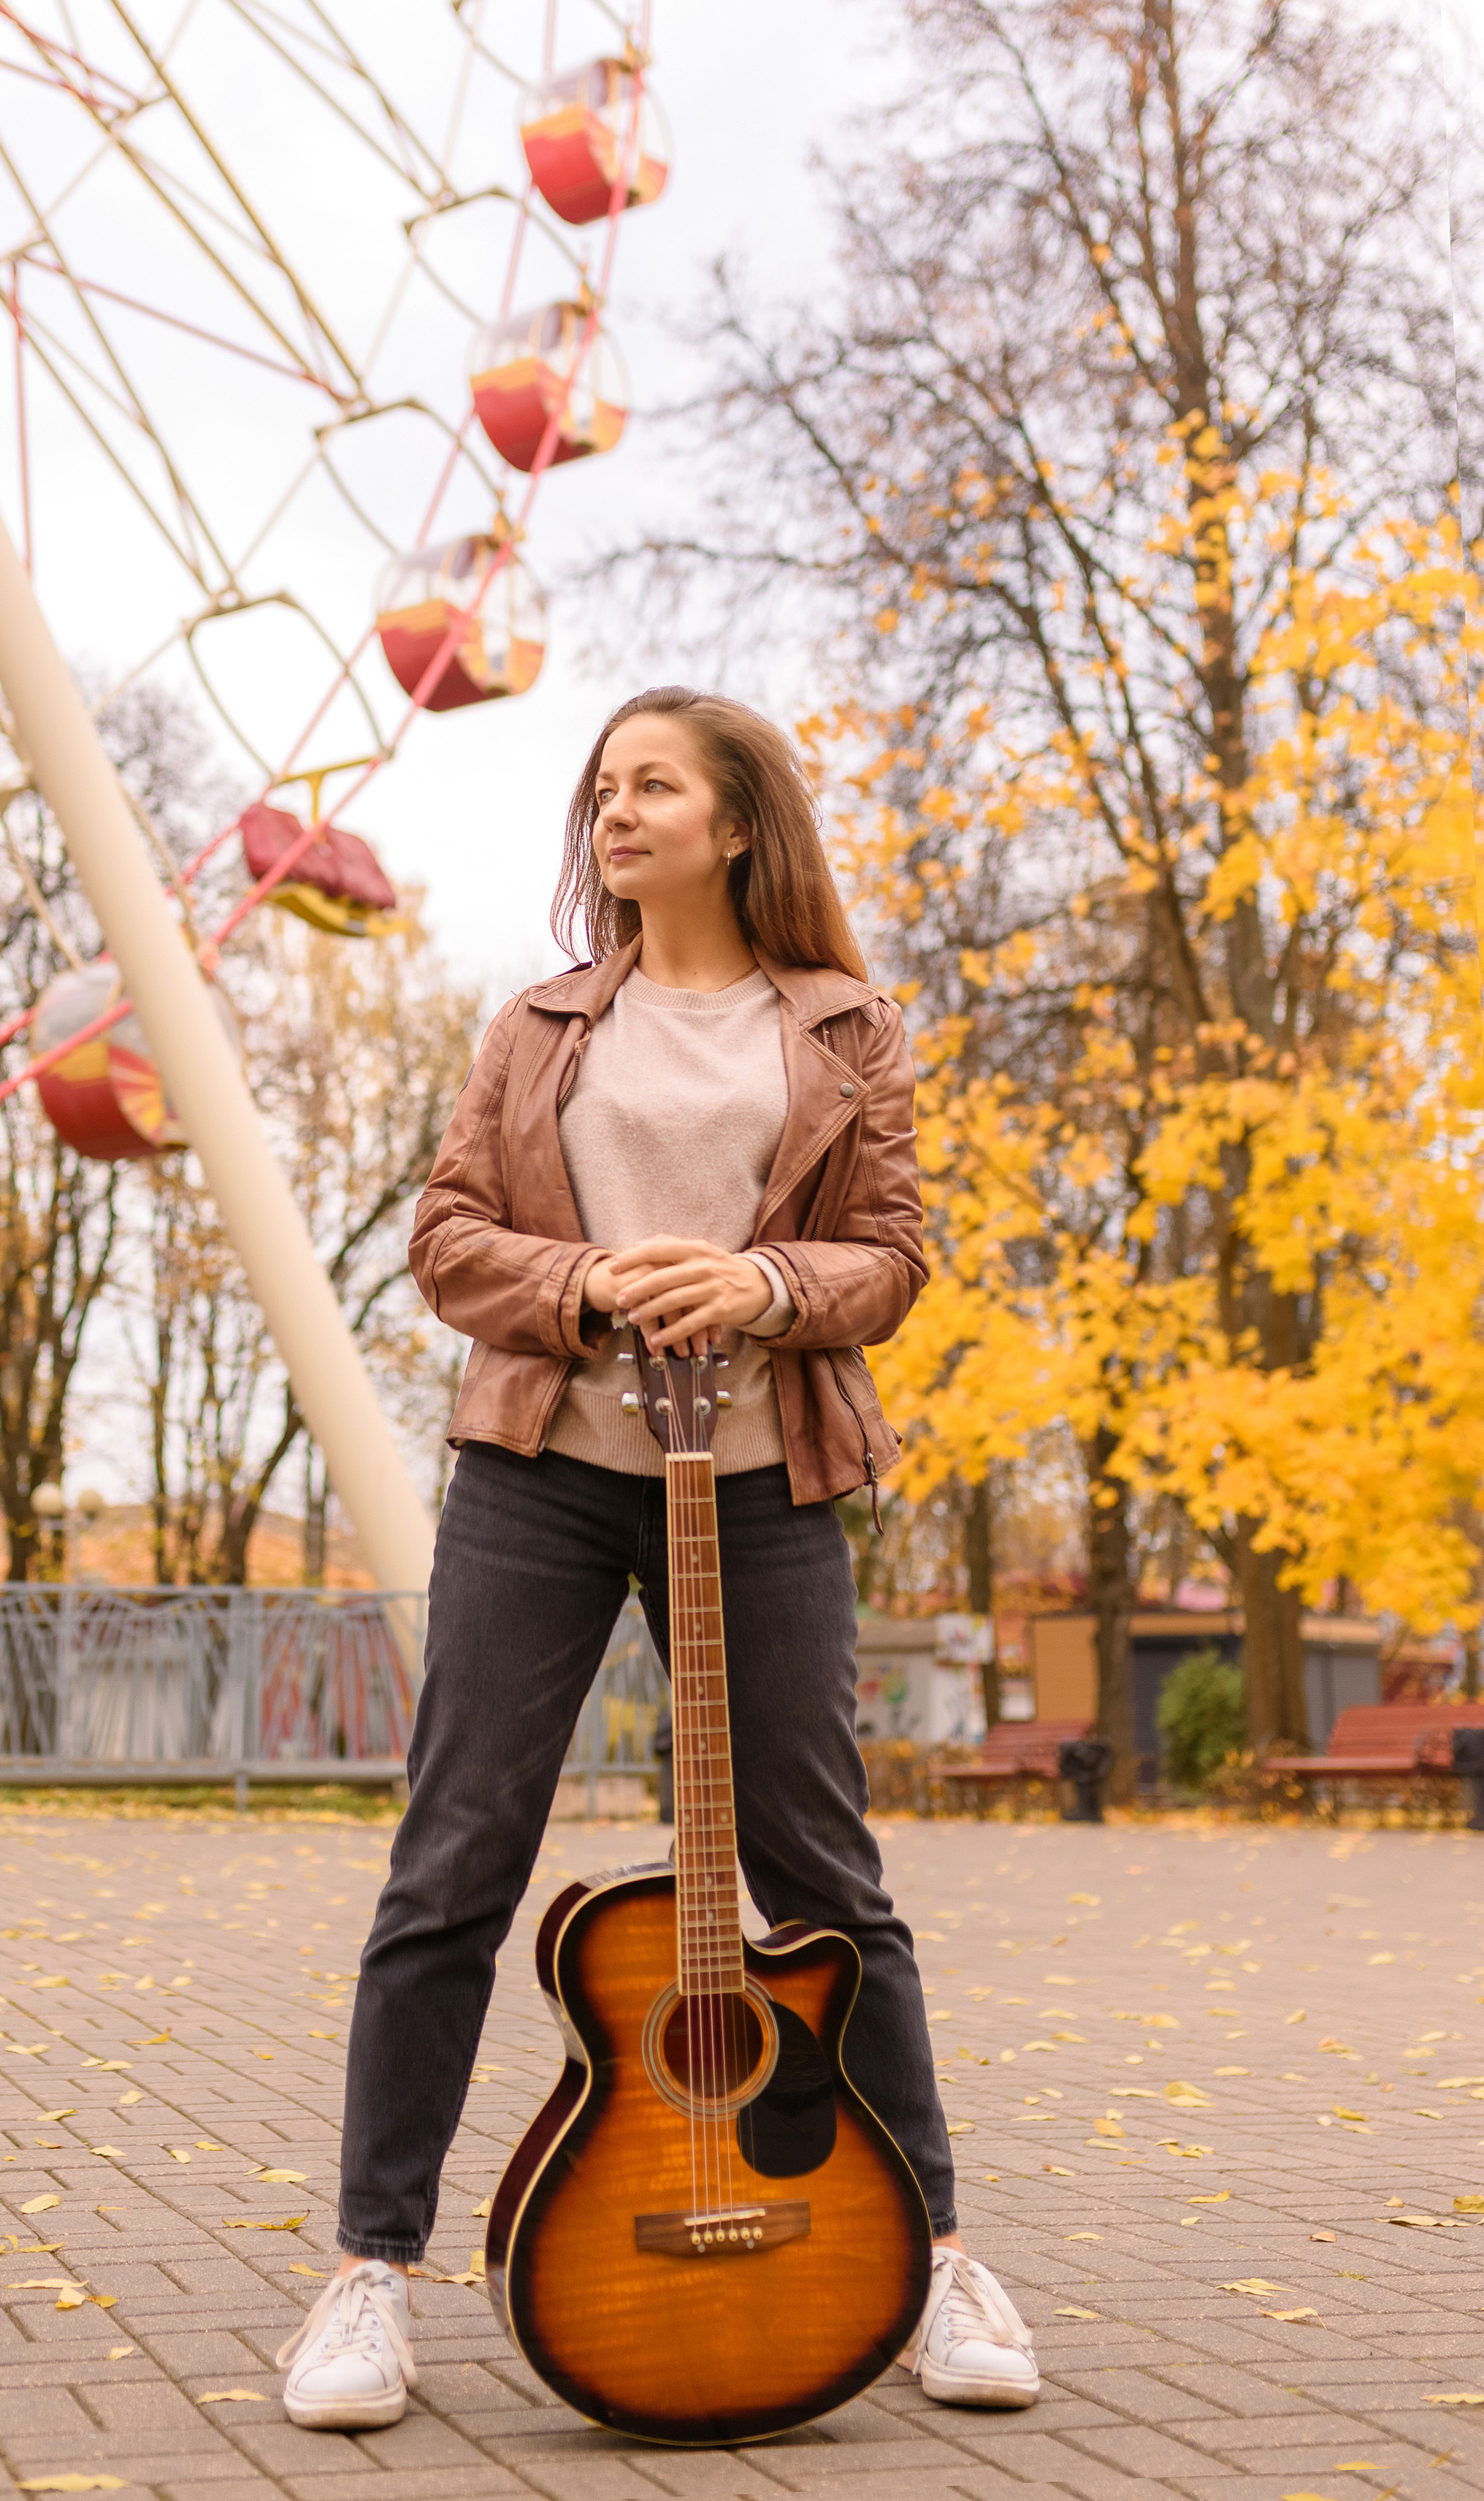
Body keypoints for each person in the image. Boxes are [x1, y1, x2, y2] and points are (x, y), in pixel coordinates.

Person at [276, 687, 1039, 2432]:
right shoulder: (537, 1024)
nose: (613, 813)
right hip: (542, 1472)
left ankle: (927, 2258)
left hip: (765, 1479)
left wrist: (767, 1287)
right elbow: (446, 1234)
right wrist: (588, 1282)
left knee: (823, 1880)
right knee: (454, 1859)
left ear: (735, 822)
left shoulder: (845, 1030)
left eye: (651, 786)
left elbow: (894, 1256)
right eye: (601, 790)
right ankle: (365, 2277)